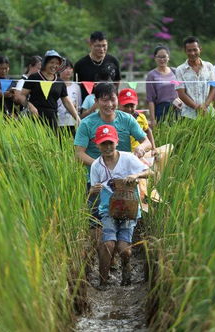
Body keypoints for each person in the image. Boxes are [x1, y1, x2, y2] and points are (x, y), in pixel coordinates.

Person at [74, 83, 151, 240]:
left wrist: (141, 149)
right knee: (97, 225)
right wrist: (101, 165)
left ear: (117, 99)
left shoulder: (127, 119)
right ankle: (104, 256)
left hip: (125, 183)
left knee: (125, 224)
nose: (109, 104)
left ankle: (122, 254)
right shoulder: (87, 124)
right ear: (96, 101)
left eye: (112, 99)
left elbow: (146, 141)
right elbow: (79, 153)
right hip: (98, 182)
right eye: (104, 100)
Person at [89, 124, 152, 287]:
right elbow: (92, 192)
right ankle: (103, 282)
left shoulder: (128, 158)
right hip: (108, 210)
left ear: (116, 142)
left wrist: (136, 175)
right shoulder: (96, 165)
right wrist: (93, 190)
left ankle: (126, 266)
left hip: (129, 210)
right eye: (104, 143)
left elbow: (150, 172)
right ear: (97, 144)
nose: (107, 147)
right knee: (108, 244)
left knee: (124, 249)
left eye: (110, 142)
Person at [22, 50, 80, 130]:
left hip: (52, 118)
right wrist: (30, 106)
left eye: (57, 63)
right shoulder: (34, 78)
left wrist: (77, 117)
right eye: (52, 62)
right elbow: (21, 96)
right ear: (45, 63)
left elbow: (66, 101)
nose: (54, 65)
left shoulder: (60, 82)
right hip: (34, 117)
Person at [175, 36, 215, 119]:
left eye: (195, 50)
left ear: (200, 49)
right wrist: (197, 107)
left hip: (208, 112)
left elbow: (214, 87)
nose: (192, 53)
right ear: (185, 51)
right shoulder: (180, 70)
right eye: (189, 50)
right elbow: (181, 93)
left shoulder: (209, 66)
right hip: (188, 115)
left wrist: (205, 106)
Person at [74, 31, 121, 100]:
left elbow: (117, 82)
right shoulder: (80, 64)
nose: (102, 49)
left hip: (109, 103)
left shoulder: (114, 61)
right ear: (90, 45)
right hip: (87, 106)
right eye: (98, 46)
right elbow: (76, 86)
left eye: (104, 45)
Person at [145, 45, 179, 126]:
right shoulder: (151, 75)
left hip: (177, 108)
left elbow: (182, 90)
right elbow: (150, 100)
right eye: (159, 57)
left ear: (168, 57)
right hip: (161, 110)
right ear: (155, 58)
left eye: (164, 56)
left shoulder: (175, 71)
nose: (162, 59)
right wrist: (152, 119)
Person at [57, 59, 82, 135]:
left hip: (73, 122)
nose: (68, 71)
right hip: (59, 122)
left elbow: (79, 104)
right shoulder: (54, 85)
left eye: (70, 68)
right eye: (65, 68)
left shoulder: (76, 86)